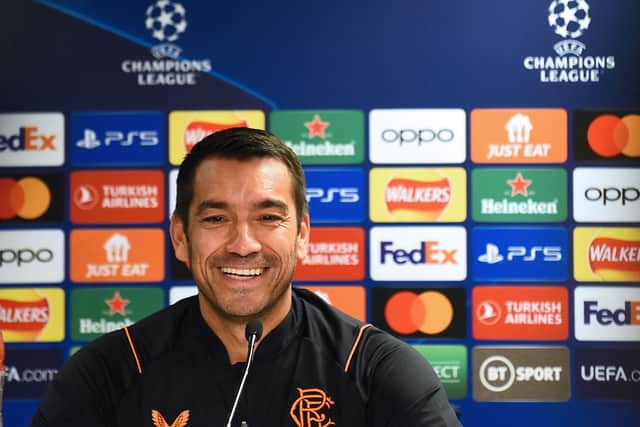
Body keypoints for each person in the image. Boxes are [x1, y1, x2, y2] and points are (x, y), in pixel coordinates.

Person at [31, 127, 462, 427]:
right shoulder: (108, 373)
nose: (243, 243)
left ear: (302, 236)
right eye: (217, 218)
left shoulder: (377, 371)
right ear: (181, 237)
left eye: (268, 217)